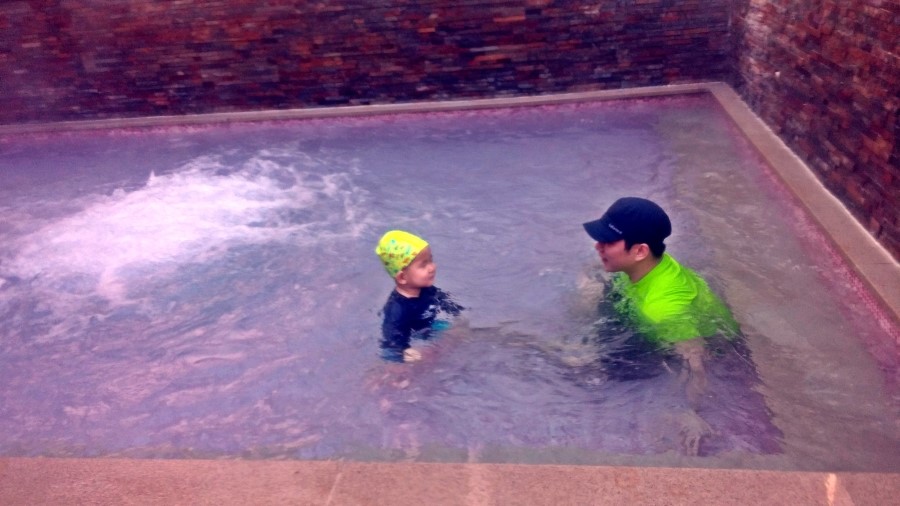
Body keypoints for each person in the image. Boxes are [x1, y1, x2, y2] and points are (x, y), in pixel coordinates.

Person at [583, 197, 739, 454]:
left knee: (591, 375)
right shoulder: (645, 267)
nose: (597, 246)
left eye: (608, 242)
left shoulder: (663, 308)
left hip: (699, 348)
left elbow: (695, 361)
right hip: (652, 318)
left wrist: (689, 410)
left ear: (640, 251)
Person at [375, 230, 463, 363]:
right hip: (410, 340)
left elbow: (443, 300)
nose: (432, 268)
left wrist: (456, 311)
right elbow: (391, 335)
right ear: (402, 277)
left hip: (429, 328)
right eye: (423, 265)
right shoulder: (397, 308)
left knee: (458, 330)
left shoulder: (427, 290)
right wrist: (404, 350)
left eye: (431, 260)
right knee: (413, 359)